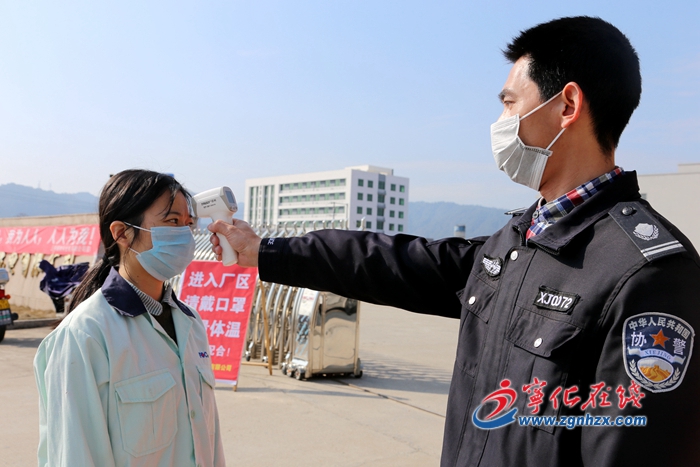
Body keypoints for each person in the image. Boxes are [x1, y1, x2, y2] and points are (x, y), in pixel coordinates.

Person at [208, 16, 700, 466]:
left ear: (566, 106)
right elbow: (394, 262)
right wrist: (264, 252)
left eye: (510, 103)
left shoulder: (646, 274)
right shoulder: (517, 242)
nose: (501, 121)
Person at [34, 170, 225, 466]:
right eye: (172, 221)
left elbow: (208, 443)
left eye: (188, 224)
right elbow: (75, 454)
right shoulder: (86, 333)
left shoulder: (190, 321)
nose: (185, 235)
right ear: (122, 233)